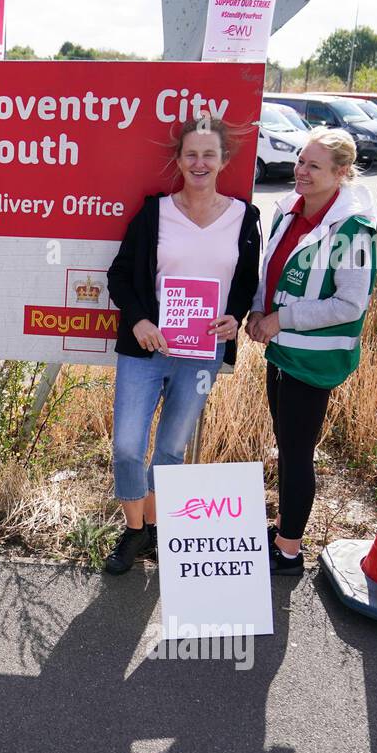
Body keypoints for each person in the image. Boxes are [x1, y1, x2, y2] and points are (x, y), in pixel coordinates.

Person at [103, 115, 262, 575]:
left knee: (171, 448)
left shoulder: (244, 217)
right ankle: (135, 530)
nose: (199, 163)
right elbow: (118, 275)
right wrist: (139, 321)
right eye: (190, 154)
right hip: (146, 349)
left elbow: (247, 281)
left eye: (208, 154)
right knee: (128, 448)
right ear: (178, 160)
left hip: (202, 353)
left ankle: (154, 528)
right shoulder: (155, 213)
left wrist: (237, 318)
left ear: (223, 160)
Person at [245, 128, 377, 573]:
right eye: (301, 161)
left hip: (312, 358)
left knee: (297, 452)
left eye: (314, 166)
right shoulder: (289, 211)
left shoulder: (353, 231)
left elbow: (349, 303)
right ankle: (285, 526)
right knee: (286, 447)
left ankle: (287, 551)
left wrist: (280, 319)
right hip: (281, 352)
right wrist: (257, 310)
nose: (301, 171)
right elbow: (273, 268)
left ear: (341, 174)